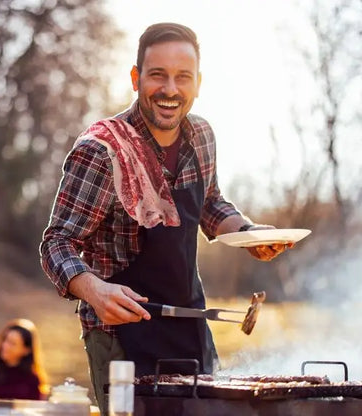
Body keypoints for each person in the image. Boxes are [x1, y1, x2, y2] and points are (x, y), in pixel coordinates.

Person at [40, 22, 292, 414]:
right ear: (136, 78)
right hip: (120, 335)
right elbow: (57, 242)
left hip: (190, 322)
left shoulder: (202, 135)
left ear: (198, 82)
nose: (171, 90)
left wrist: (247, 232)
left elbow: (209, 204)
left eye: (183, 77)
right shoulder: (101, 150)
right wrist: (92, 290)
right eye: (158, 75)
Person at [0, 318, 49, 400]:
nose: (5, 346)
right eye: (5, 340)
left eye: (12, 343)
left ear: (26, 350)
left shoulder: (32, 381)